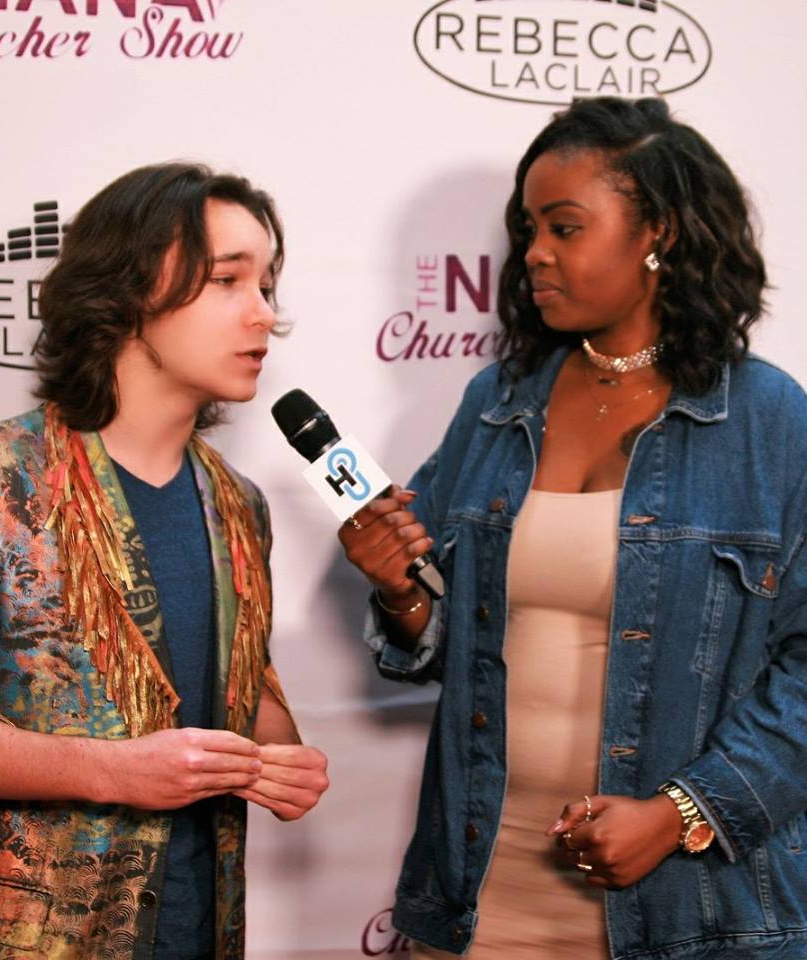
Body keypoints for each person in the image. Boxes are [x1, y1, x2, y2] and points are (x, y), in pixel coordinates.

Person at [339, 96, 807, 959]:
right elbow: (443, 646)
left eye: (564, 227)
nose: (534, 254)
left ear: (658, 232)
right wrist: (398, 590)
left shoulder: (766, 420)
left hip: (693, 908)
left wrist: (682, 813)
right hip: (483, 896)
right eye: (528, 230)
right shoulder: (496, 404)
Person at [0, 162, 329, 960]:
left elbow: (236, 689)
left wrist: (279, 761)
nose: (264, 314)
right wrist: (110, 772)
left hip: (200, 931)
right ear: (130, 289)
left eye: (268, 285)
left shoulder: (240, 505)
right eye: (227, 281)